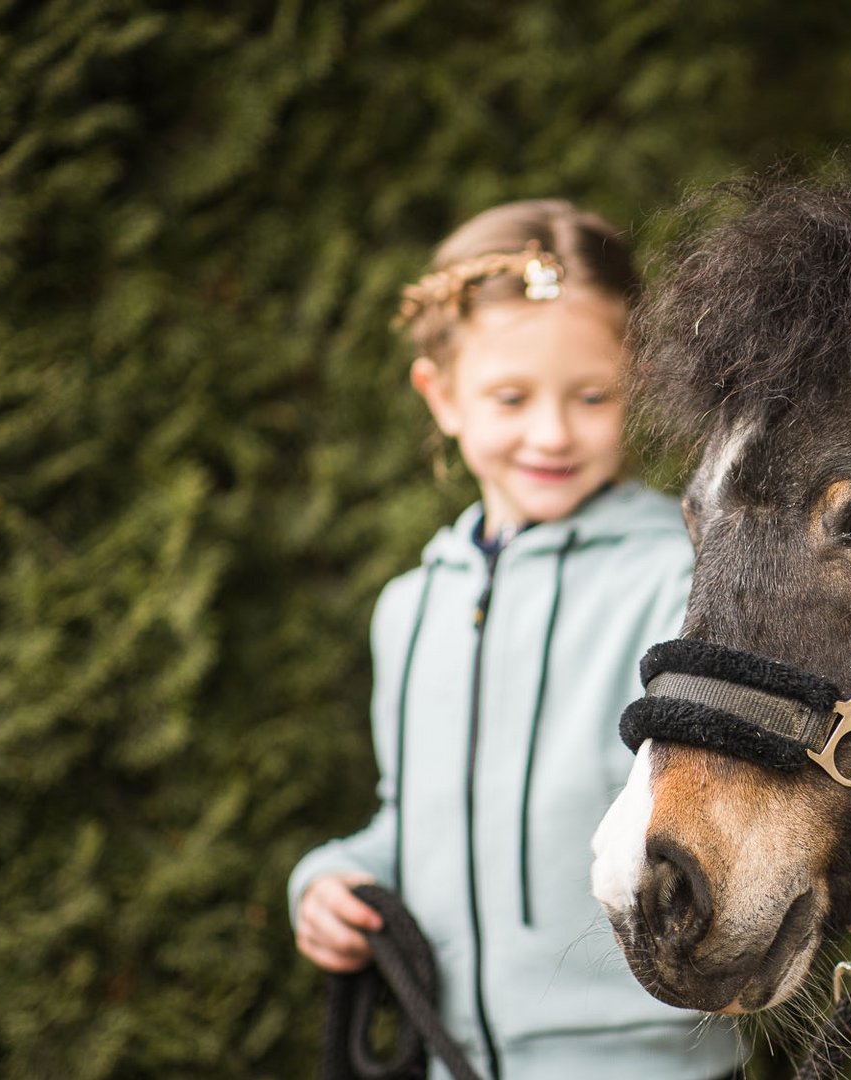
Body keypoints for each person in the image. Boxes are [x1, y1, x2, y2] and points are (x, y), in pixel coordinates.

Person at [289, 200, 745, 1080]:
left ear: (641, 385)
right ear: (442, 395)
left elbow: (716, 822)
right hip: (448, 1060)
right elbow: (411, 819)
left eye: (592, 396)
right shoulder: (410, 608)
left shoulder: (677, 581)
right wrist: (333, 877)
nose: (552, 433)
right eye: (511, 397)